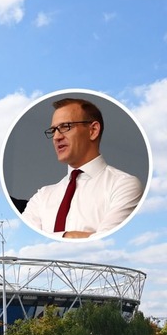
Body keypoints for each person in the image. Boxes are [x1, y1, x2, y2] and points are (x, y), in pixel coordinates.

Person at [21, 98, 143, 238]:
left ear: (93, 130)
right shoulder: (42, 196)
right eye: (53, 130)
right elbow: (28, 238)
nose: (56, 137)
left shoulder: (123, 185)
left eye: (65, 126)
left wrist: (55, 236)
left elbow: (107, 240)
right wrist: (75, 236)